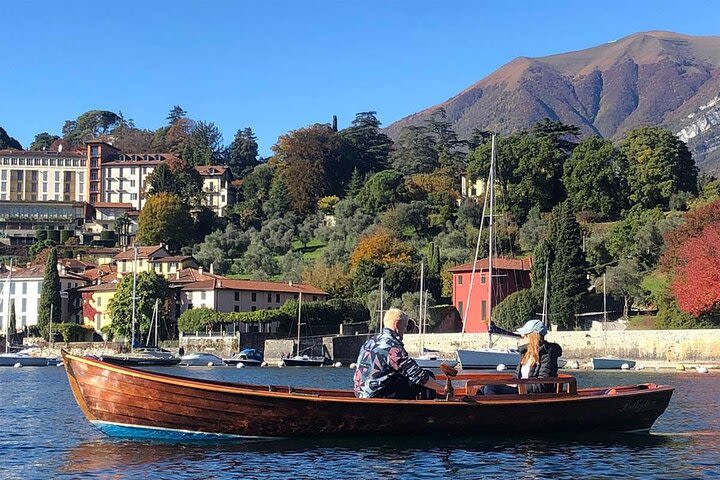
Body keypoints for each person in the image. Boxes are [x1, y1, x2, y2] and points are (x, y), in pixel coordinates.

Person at [354, 308, 447, 399]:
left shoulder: (369, 342)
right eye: (405, 326)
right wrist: (443, 388)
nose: (405, 330)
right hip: (379, 397)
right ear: (397, 324)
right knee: (428, 375)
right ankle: (427, 412)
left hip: (361, 394)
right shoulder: (392, 347)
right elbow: (418, 375)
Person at [482, 319, 563, 395]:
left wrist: (520, 386)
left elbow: (543, 384)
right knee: (482, 388)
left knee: (491, 388)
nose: (522, 337)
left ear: (533, 337)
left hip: (529, 393)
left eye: (525, 335)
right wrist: (511, 383)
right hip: (519, 388)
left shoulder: (548, 355)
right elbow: (516, 376)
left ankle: (493, 409)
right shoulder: (525, 353)